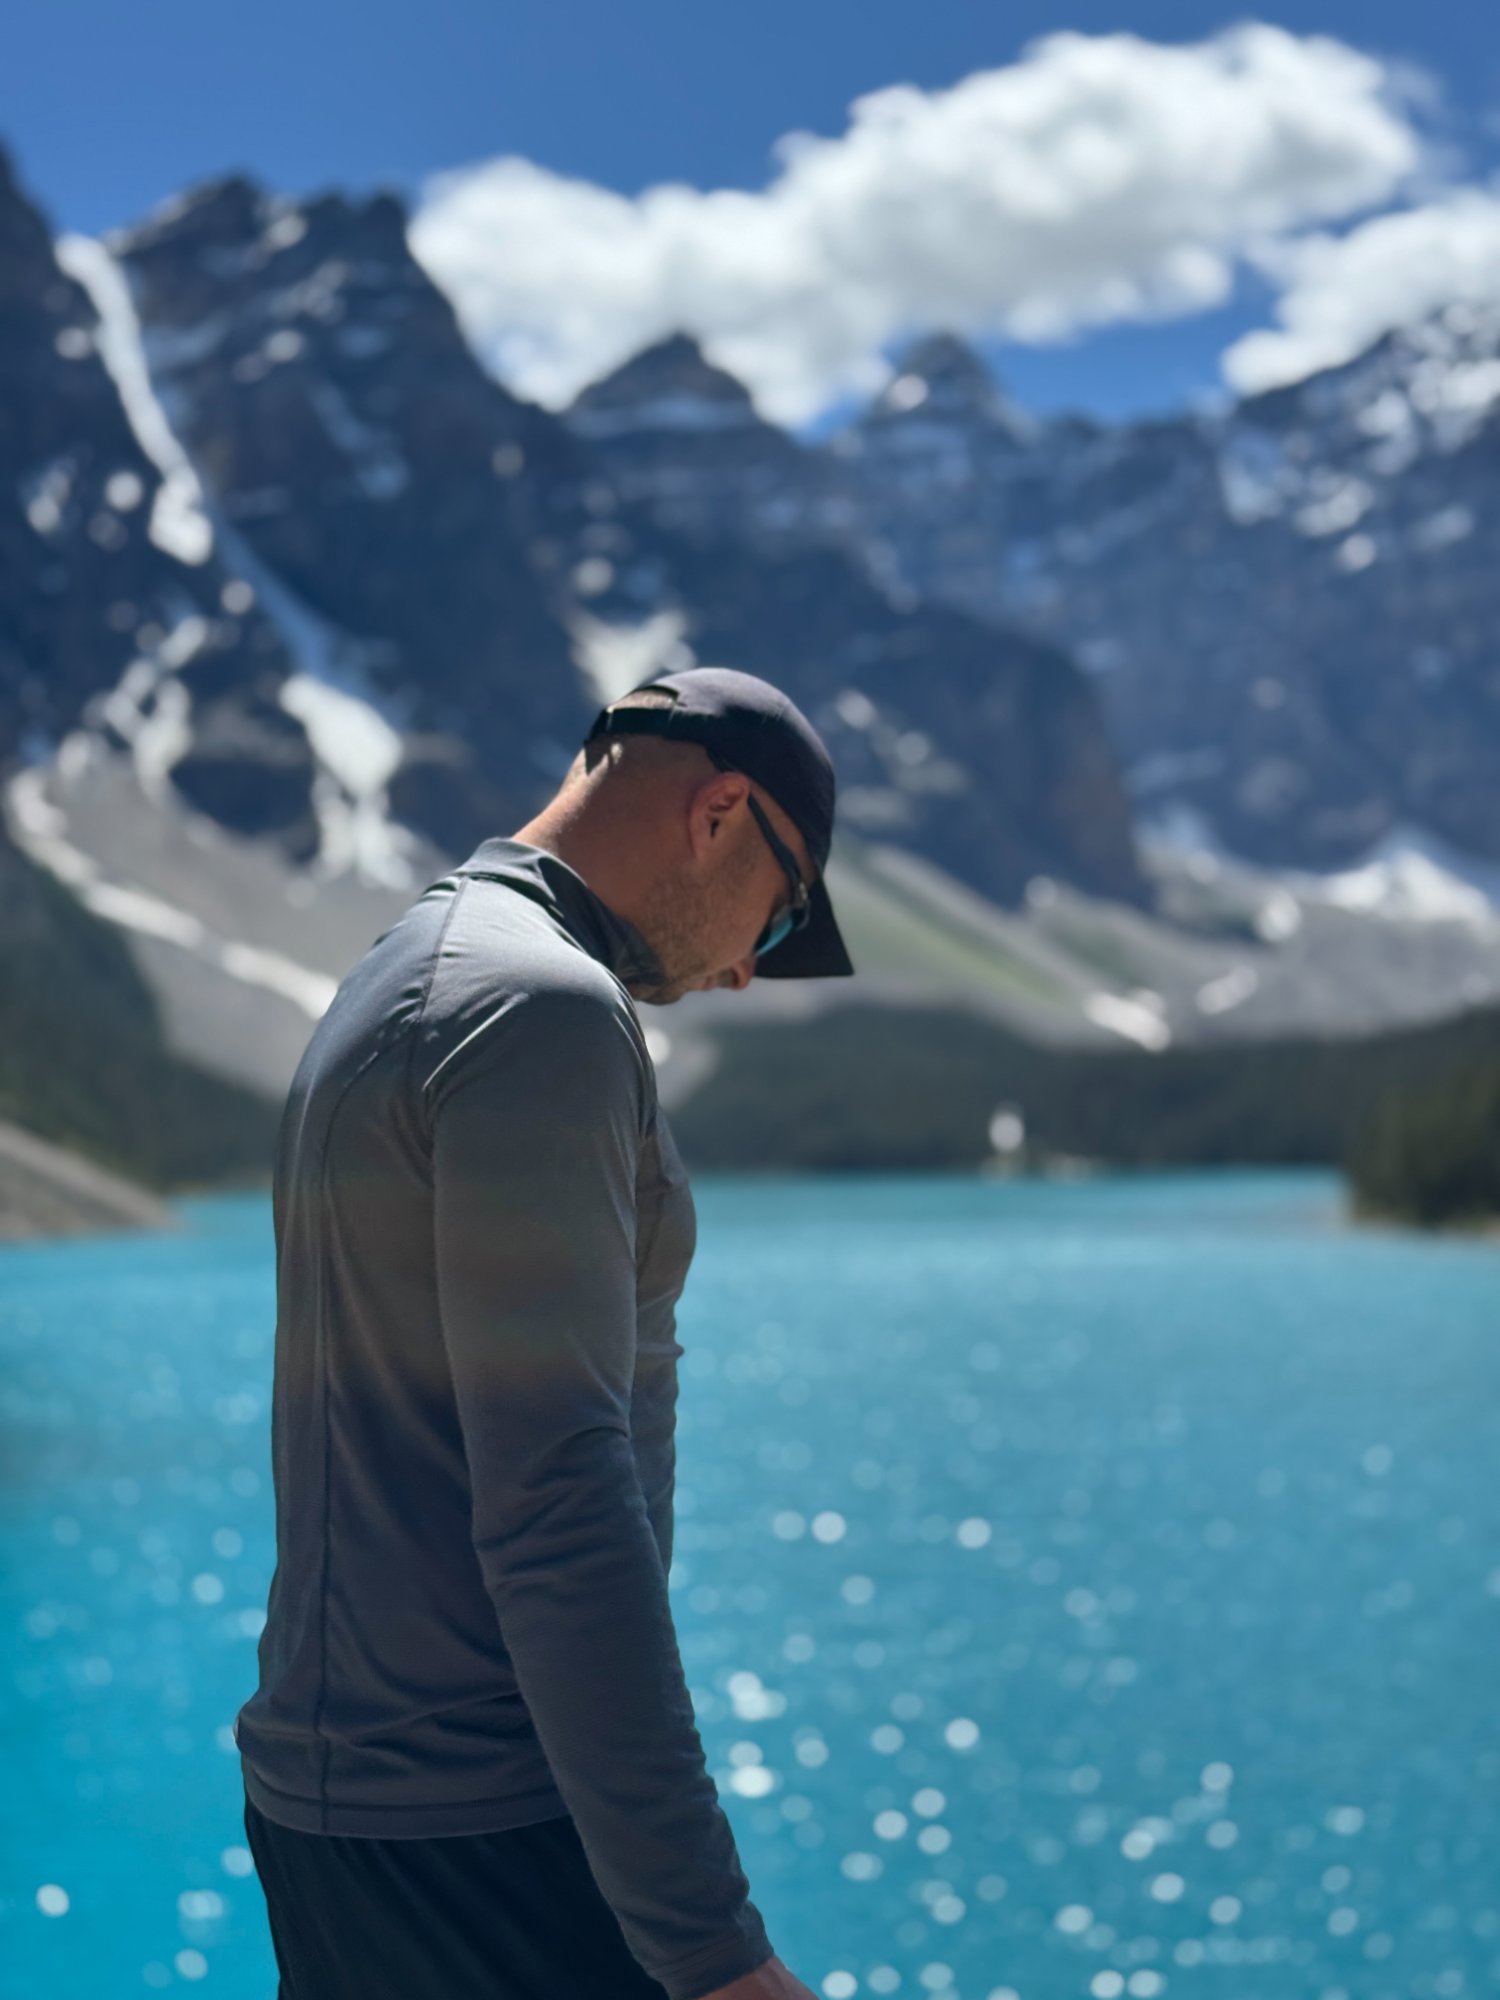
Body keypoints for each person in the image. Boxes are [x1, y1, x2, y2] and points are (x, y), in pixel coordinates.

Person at [236, 666, 856, 2000]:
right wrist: (715, 1952)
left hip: (350, 1815)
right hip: (489, 1836)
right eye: (785, 910)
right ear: (720, 813)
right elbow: (559, 1497)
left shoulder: (412, 965)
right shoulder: (544, 1013)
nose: (753, 966)